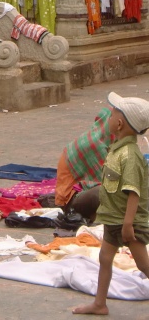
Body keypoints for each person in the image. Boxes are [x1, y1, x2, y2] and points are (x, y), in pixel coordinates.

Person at [73, 92, 149, 315]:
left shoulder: (130, 155)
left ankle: (99, 303)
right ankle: (100, 304)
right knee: (104, 258)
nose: (109, 116)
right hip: (114, 218)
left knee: (144, 265)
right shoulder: (117, 149)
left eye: (113, 113)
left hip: (129, 222)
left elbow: (133, 193)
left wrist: (128, 224)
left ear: (119, 123)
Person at [55, 107, 115, 220]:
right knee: (106, 193)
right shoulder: (95, 144)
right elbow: (109, 182)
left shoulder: (100, 139)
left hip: (82, 190)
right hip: (70, 200)